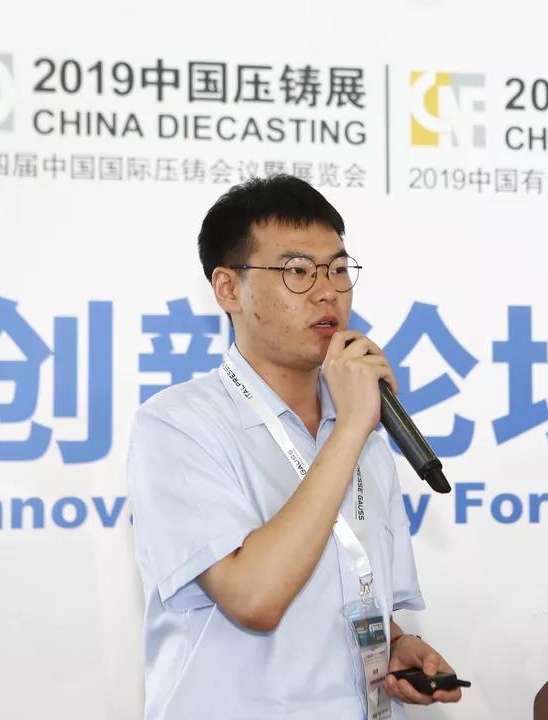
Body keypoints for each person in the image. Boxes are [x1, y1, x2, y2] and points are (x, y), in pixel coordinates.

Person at [127, 174, 463, 719]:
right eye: (298, 271)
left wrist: (395, 645)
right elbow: (254, 598)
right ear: (228, 288)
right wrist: (351, 430)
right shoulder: (178, 426)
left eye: (338, 269)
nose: (328, 292)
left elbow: (349, 592)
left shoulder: (360, 428)